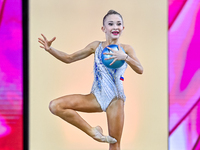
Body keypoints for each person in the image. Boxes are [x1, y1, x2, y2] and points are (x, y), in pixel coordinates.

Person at [38, 10, 143, 150]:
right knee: (55, 106)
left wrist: (124, 57)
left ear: (123, 28)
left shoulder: (126, 49)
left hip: (115, 100)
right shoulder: (96, 46)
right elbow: (69, 58)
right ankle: (93, 132)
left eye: (119, 24)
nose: (115, 27)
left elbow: (140, 69)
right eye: (111, 24)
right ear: (103, 29)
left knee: (115, 144)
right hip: (95, 97)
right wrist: (50, 49)